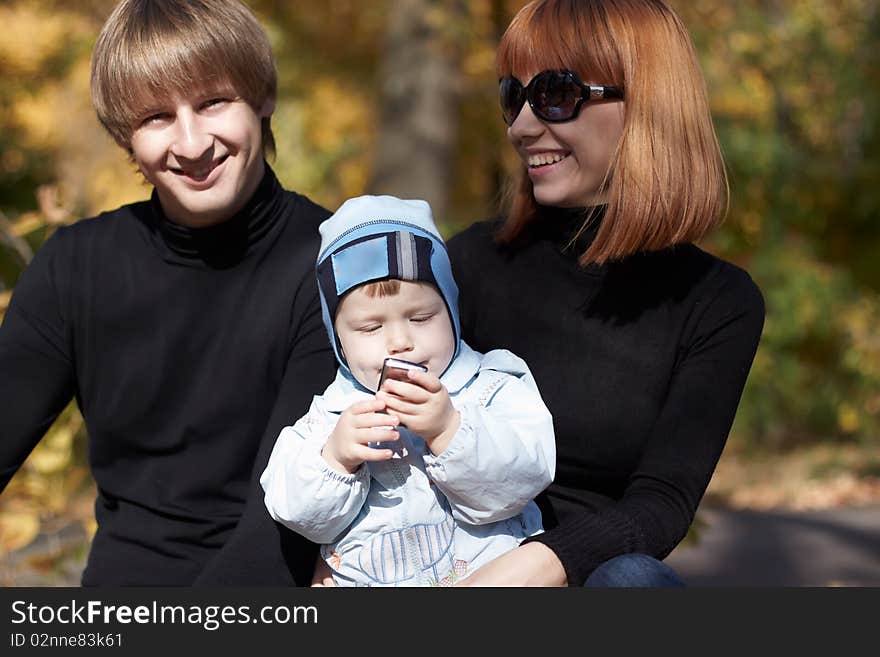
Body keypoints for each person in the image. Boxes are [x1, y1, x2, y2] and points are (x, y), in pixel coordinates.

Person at [0, 0, 336, 585]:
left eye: (213, 102)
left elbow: (280, 528)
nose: (191, 142)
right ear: (125, 137)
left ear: (262, 98)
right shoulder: (76, 267)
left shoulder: (335, 261)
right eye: (156, 117)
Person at [446, 0, 765, 587]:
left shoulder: (717, 303)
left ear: (647, 105)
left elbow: (662, 504)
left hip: (580, 578)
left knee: (634, 581)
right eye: (512, 96)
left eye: (556, 94)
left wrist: (528, 569)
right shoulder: (465, 264)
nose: (520, 126)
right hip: (443, 561)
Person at [260, 195, 555, 586]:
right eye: (370, 328)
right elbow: (297, 513)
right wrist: (335, 459)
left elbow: (524, 478)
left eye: (420, 317)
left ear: (451, 311)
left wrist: (450, 430)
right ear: (339, 342)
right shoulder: (328, 419)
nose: (399, 341)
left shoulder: (493, 384)